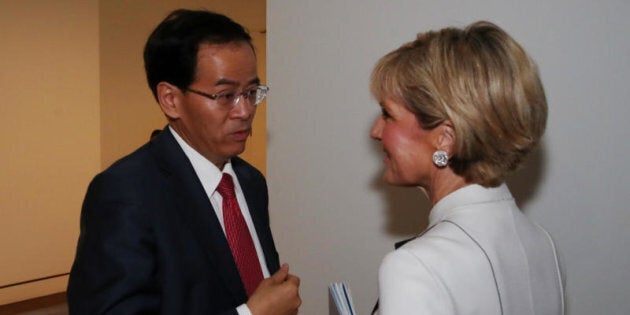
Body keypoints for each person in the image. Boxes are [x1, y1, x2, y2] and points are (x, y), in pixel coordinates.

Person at [67, 9, 301, 315]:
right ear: (170, 99)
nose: (245, 110)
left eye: (251, 92)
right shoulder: (125, 193)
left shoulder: (251, 182)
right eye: (226, 95)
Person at [369, 21, 564, 314]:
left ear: (445, 139)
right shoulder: (542, 242)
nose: (375, 130)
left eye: (388, 114)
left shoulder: (415, 266)